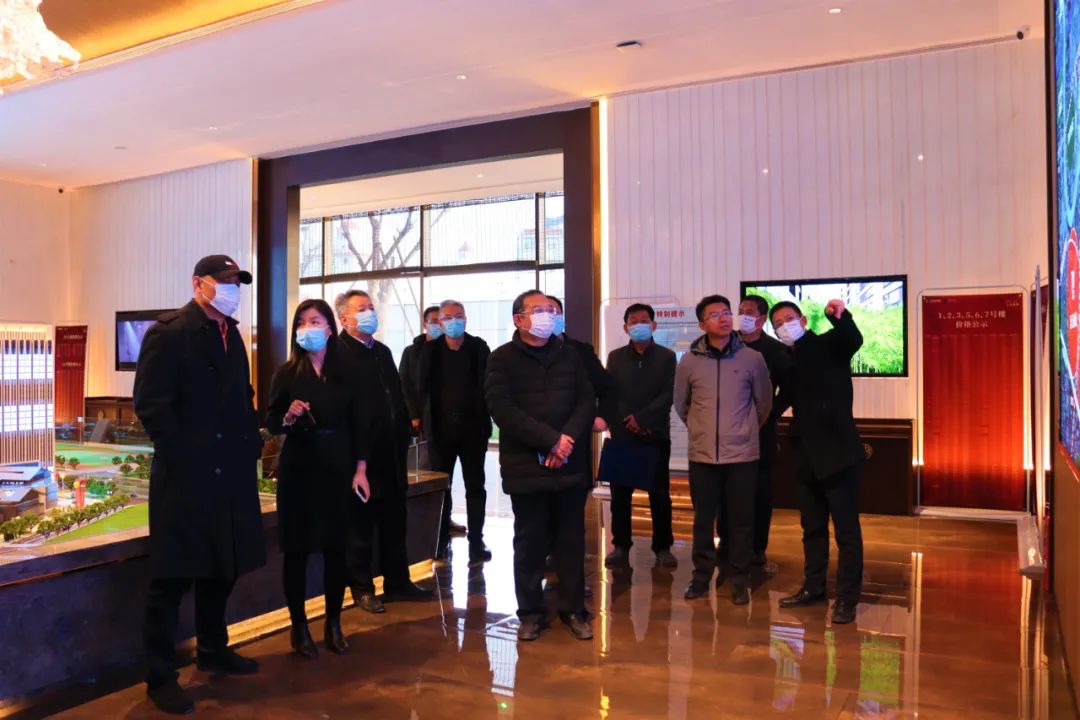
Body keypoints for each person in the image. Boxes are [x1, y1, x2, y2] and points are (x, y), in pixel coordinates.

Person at [133, 255, 265, 715]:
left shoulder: (233, 336)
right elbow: (151, 406)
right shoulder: (169, 333)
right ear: (198, 284)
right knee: (171, 580)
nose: (232, 290)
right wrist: (186, 456)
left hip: (231, 475)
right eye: (224, 281)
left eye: (237, 283)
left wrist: (251, 444)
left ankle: (213, 649)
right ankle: (160, 677)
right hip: (185, 478)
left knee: (222, 568)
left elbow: (242, 398)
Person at [485, 290, 596, 642]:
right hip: (526, 466)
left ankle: (574, 610)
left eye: (551, 309)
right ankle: (531, 614)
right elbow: (502, 409)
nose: (548, 315)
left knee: (571, 542)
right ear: (519, 319)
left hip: (569, 464)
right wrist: (550, 440)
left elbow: (585, 400)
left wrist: (566, 441)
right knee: (529, 544)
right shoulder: (501, 359)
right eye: (539, 310)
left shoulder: (569, 354)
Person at [266, 299, 370, 659]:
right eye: (301, 322)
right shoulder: (287, 373)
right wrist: (289, 415)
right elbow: (272, 421)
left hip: (338, 466)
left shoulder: (348, 372)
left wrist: (361, 469)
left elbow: (360, 423)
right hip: (299, 467)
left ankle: (333, 622)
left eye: (315, 321)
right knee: (296, 550)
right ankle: (299, 626)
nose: (307, 328)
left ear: (329, 327)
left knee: (336, 549)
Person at [336, 289, 433, 615]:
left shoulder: (382, 351)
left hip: (391, 452)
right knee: (360, 526)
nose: (369, 313)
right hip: (360, 457)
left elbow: (395, 394)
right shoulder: (338, 355)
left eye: (371, 307)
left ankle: (398, 581)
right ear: (344, 318)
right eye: (361, 309)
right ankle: (362, 588)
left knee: (395, 521)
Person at [771, 298, 864, 625]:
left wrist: (839, 316)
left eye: (789, 319)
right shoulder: (786, 361)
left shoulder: (828, 344)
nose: (784, 326)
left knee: (846, 532)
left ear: (803, 321)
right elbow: (782, 400)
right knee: (811, 528)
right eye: (778, 324)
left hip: (839, 454)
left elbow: (853, 339)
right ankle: (814, 587)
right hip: (805, 456)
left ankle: (847, 598)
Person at [674, 294, 771, 606]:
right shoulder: (689, 362)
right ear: (702, 324)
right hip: (703, 455)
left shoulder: (752, 359)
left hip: (742, 455)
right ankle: (701, 577)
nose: (724, 318)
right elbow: (682, 405)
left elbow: (763, 403)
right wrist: (702, 430)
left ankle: (739, 578)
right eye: (715, 315)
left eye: (727, 313)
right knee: (703, 520)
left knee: (741, 519)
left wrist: (743, 430)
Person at [414, 299, 493, 563]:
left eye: (458, 316)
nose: (453, 321)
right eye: (447, 317)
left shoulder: (479, 347)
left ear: (466, 319)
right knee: (442, 486)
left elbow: (489, 384)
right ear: (439, 322)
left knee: (475, 486)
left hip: (473, 429)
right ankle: (440, 539)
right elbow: (421, 387)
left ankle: (476, 540)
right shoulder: (430, 351)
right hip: (440, 430)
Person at [604, 302, 678, 569]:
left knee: (659, 496)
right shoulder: (615, 357)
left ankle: (663, 547)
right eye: (633, 321)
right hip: (622, 435)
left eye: (644, 320)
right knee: (619, 497)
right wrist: (628, 422)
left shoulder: (667, 356)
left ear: (654, 325)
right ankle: (621, 545)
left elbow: (668, 394)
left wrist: (644, 420)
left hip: (654, 434)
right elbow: (612, 393)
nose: (639, 325)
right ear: (625, 327)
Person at [730, 294, 794, 574]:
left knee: (760, 493)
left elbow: (788, 391)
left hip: (761, 432)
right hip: (729, 432)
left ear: (762, 318)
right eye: (740, 310)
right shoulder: (727, 343)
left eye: (749, 312)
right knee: (728, 493)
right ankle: (728, 544)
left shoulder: (776, 350)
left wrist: (767, 414)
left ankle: (757, 548)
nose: (743, 316)